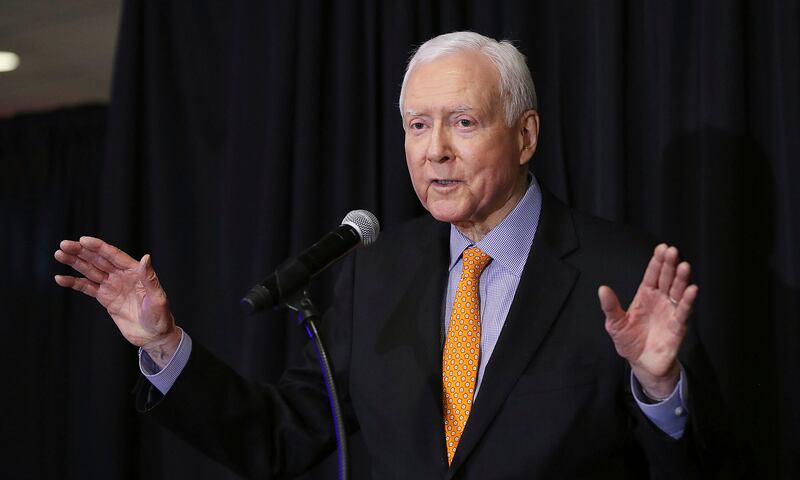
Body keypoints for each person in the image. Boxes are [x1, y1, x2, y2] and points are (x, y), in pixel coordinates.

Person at [54, 32, 732, 478]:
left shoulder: (621, 274)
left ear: (525, 136)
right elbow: (281, 438)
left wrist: (658, 389)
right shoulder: (372, 274)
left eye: (462, 122)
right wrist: (164, 343)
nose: (434, 149)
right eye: (416, 125)